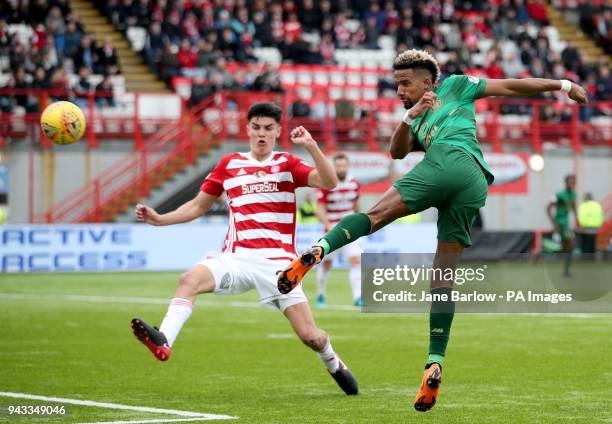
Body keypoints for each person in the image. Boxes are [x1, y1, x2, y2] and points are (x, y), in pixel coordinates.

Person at [277, 49, 587, 412]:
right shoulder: (419, 118)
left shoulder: (456, 85)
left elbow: (511, 87)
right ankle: (435, 360)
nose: (399, 90)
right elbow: (396, 151)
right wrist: (410, 116)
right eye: (396, 85)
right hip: (473, 183)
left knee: (374, 215)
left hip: (450, 161)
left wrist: (563, 84)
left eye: (405, 83)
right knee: (442, 276)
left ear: (428, 81)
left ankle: (319, 250)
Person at [131, 102, 358, 396]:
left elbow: (329, 181)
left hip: (279, 266)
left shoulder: (287, 164)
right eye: (256, 128)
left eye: (268, 129)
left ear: (278, 132)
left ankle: (333, 361)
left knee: (311, 337)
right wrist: (160, 219)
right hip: (235, 258)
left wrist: (312, 146)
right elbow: (198, 206)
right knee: (189, 279)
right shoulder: (229, 164)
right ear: (248, 129)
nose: (261, 134)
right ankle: (164, 340)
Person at [314, 154, 363, 308]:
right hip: (332, 232)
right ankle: (321, 294)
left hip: (349, 230)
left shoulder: (354, 183)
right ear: (334, 167)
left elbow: (356, 205)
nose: (341, 169)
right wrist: (328, 224)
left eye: (344, 166)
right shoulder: (328, 184)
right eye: (339, 166)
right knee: (326, 263)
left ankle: (358, 297)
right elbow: (319, 209)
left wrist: (358, 222)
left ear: (347, 167)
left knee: (356, 261)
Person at [547, 175, 578, 276]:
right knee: (570, 245)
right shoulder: (559, 194)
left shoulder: (573, 194)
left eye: (573, 182)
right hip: (560, 222)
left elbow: (573, 207)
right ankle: (566, 271)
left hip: (566, 223)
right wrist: (554, 224)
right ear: (565, 183)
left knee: (565, 248)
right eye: (569, 182)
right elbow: (548, 209)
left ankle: (538, 255)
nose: (571, 184)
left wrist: (578, 220)